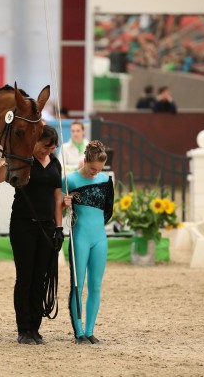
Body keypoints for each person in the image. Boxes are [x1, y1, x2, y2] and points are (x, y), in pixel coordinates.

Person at [0, 125, 64, 345]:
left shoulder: (55, 164)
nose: (48, 151)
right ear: (35, 142)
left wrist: (59, 228)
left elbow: (57, 198)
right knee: (25, 277)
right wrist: (2, 162)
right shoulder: (24, 161)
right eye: (45, 146)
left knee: (41, 279)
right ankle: (23, 328)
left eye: (52, 148)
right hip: (23, 224)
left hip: (47, 227)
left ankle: (35, 327)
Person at [62, 140, 114, 345]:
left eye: (99, 169)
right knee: (77, 285)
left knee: (95, 286)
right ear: (84, 161)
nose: (95, 172)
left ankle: (90, 331)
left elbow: (108, 210)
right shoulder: (70, 180)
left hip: (100, 238)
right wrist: (65, 203)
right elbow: (60, 209)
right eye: (92, 168)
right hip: (80, 238)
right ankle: (79, 332)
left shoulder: (106, 180)